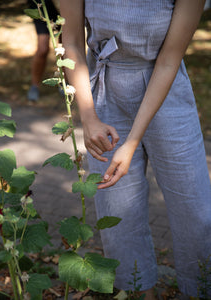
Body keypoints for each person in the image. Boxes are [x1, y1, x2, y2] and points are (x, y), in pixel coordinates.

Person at [60, 0, 211, 299]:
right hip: (103, 95)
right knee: (118, 216)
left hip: (166, 90)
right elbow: (73, 42)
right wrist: (89, 118)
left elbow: (169, 59)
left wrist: (131, 142)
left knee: (195, 210)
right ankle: (137, 291)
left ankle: (201, 288)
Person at [27, 0, 59, 102]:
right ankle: (34, 86)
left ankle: (65, 83)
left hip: (64, 5)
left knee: (66, 46)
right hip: (42, 5)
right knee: (43, 49)